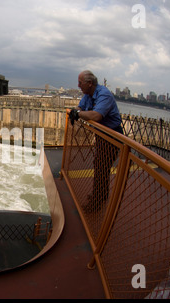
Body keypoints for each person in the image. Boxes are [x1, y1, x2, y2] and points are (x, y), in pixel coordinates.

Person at [69, 70, 123, 212]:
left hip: (112, 136)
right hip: (102, 134)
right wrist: (75, 111)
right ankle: (101, 195)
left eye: (80, 83)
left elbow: (97, 115)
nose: (78, 85)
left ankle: (97, 201)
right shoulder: (88, 94)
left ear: (89, 83)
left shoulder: (103, 94)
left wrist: (78, 114)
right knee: (100, 166)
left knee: (101, 167)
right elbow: (80, 107)